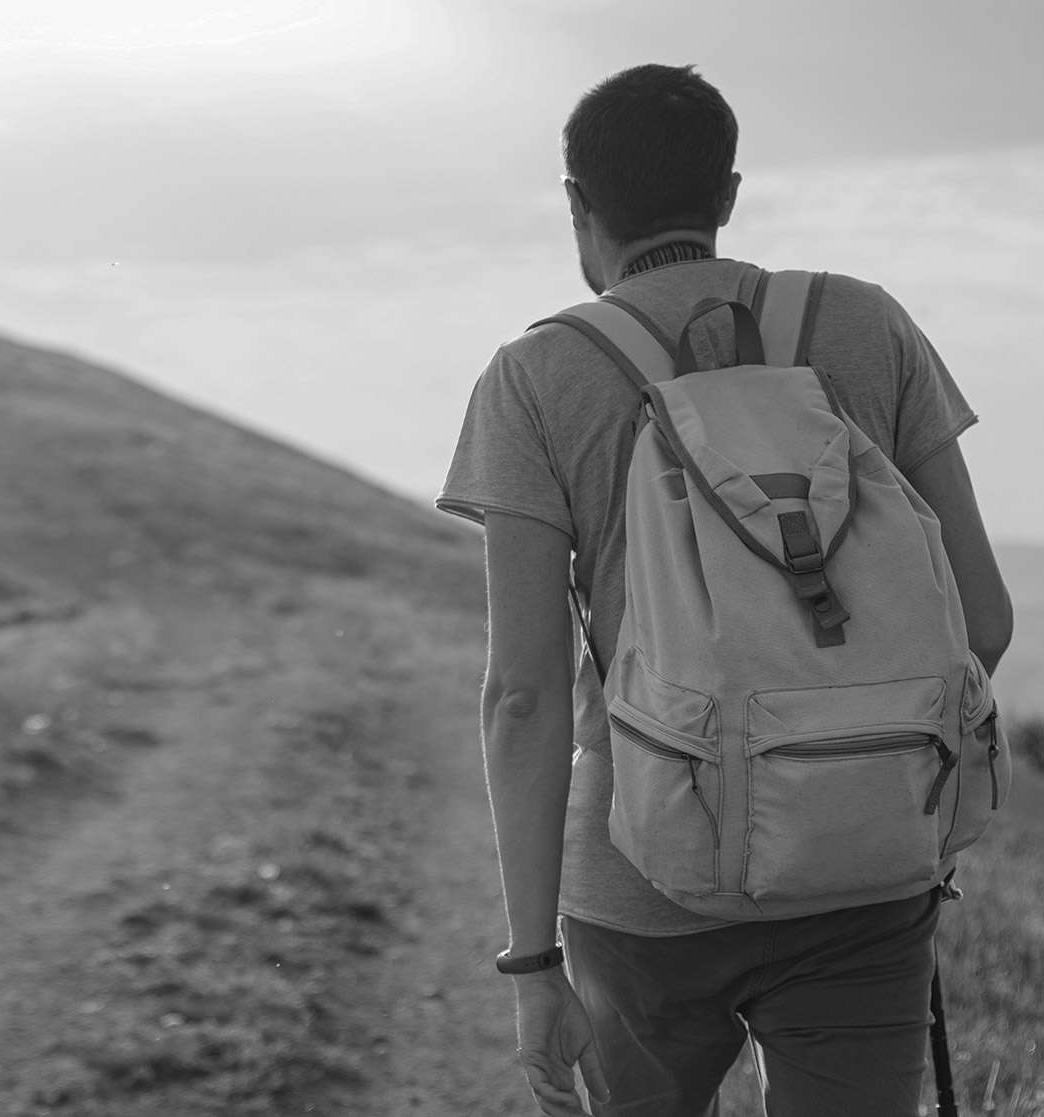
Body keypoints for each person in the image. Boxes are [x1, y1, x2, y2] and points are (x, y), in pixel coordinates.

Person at [434, 64, 1013, 1116]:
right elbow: (985, 620)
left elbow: (522, 696)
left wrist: (532, 966)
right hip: (869, 875)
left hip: (643, 884)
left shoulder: (535, 376)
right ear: (729, 193)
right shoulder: (868, 325)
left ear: (578, 204)